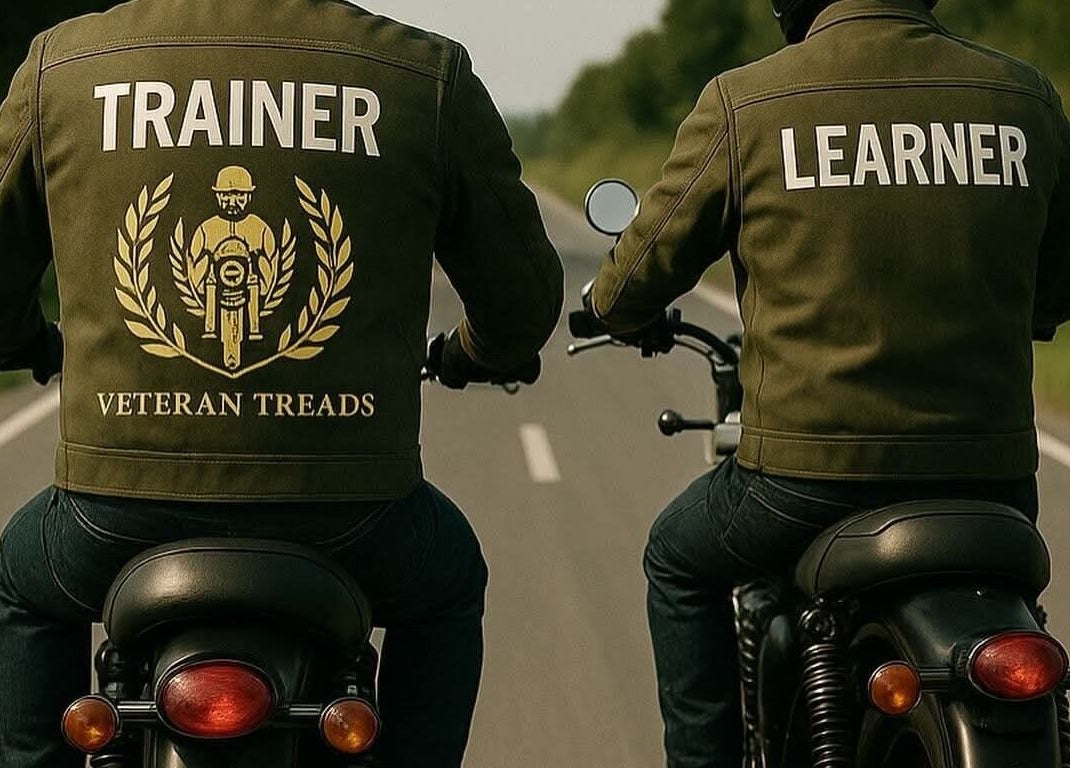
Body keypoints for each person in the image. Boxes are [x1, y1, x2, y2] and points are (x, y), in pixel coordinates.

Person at [0, 0, 563, 765]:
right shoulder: (422, 73)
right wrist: (475, 353)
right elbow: (522, 303)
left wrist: (33, 341)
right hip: (356, 518)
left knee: (23, 581)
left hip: (112, 514)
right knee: (448, 581)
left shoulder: (60, 66)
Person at [578, 0, 1070, 765]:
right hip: (994, 484)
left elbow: (634, 277)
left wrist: (609, 306)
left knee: (676, 555)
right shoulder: (1024, 95)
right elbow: (1058, 286)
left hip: (805, 480)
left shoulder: (749, 100)